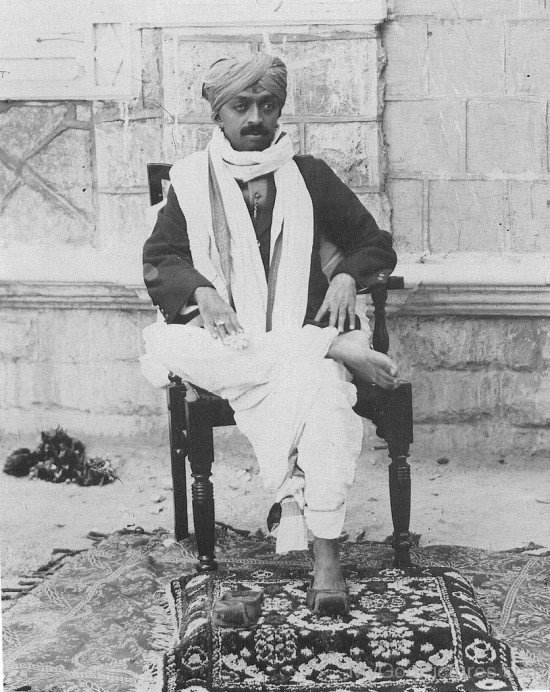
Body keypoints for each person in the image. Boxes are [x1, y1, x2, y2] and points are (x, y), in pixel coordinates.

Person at [140, 52, 399, 617]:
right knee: (167, 342)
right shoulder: (189, 180)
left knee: (325, 393)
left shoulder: (309, 176)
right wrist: (202, 291)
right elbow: (161, 259)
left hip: (284, 337)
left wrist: (350, 275)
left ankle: (324, 551)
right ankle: (331, 348)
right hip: (228, 341)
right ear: (219, 113)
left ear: (279, 110)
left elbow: (374, 243)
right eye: (241, 106)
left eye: (268, 105)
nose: (255, 117)